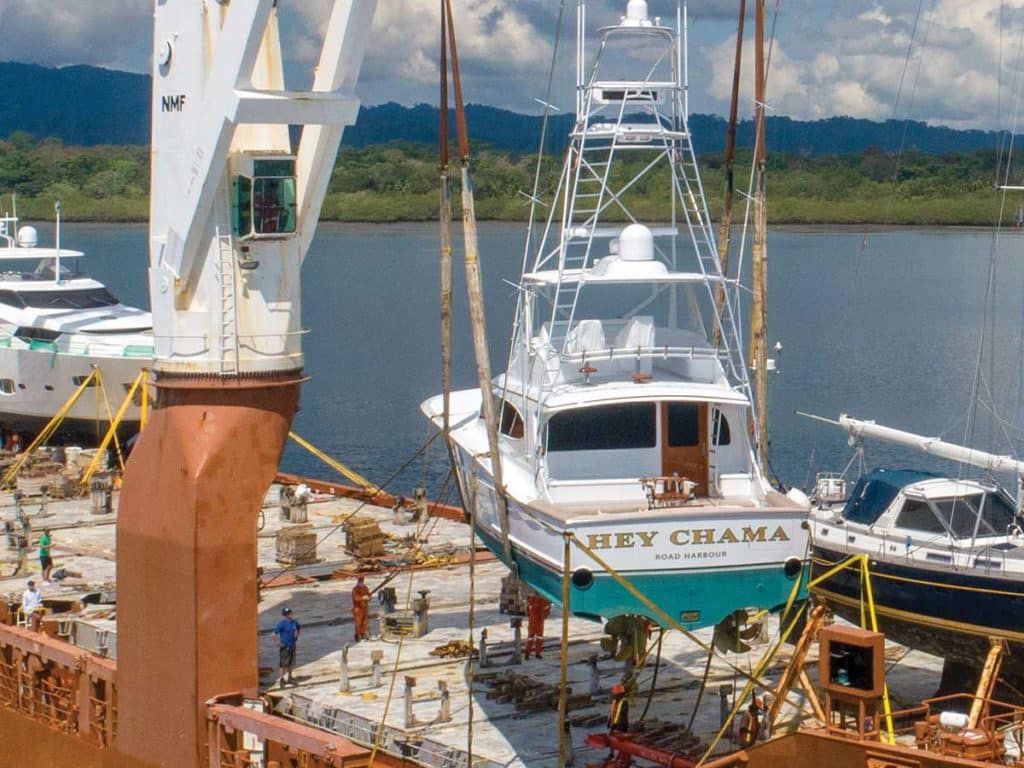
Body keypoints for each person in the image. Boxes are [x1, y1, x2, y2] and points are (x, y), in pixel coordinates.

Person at [273, 607, 301, 686]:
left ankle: (290, 678)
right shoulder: (282, 623)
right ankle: (282, 679)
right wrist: (277, 642)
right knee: (283, 664)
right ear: (285, 615)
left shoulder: (295, 622)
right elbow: (274, 634)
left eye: (290, 613)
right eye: (288, 613)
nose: (290, 614)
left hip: (292, 645)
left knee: (291, 663)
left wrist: (296, 636)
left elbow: (298, 628)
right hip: (285, 646)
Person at [524, 592, 551, 659]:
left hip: (537, 623)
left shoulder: (541, 601)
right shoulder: (531, 600)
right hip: (534, 623)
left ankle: (536, 653)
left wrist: (543, 617)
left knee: (538, 638)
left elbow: (547, 609)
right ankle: (528, 654)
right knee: (531, 638)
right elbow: (527, 610)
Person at [351, 576, 371, 642]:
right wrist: (362, 598)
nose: (361, 582)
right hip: (358, 609)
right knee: (358, 623)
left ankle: (363, 634)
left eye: (362, 580)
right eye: (360, 580)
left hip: (364, 608)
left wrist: (369, 597)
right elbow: (355, 598)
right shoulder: (355, 589)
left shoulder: (365, 588)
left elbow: (368, 595)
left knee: (364, 622)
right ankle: (357, 635)